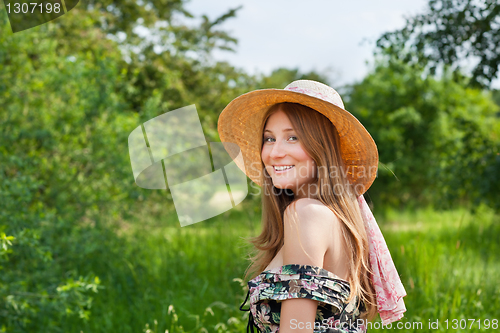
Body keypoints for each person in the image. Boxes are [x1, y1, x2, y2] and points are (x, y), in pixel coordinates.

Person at [217, 80, 406, 333]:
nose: (275, 152)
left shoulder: (307, 214)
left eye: (292, 137)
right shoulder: (335, 218)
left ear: (322, 147)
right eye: (269, 138)